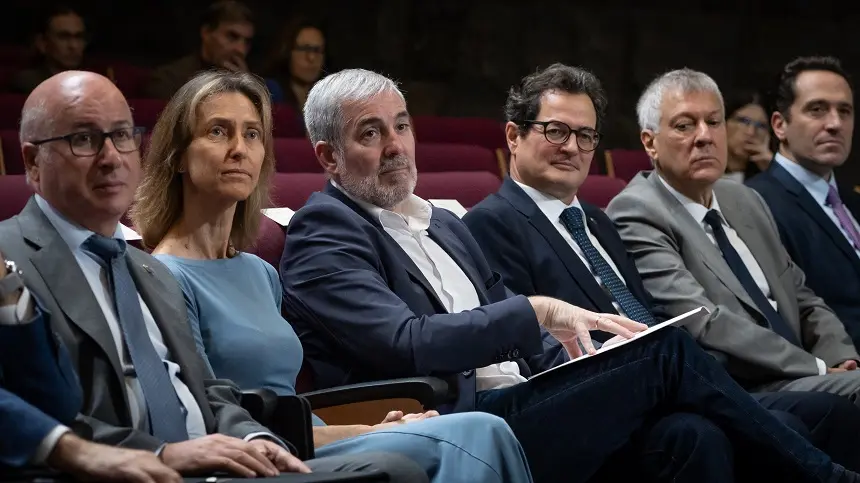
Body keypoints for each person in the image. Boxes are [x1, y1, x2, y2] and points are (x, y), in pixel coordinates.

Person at [279, 67, 860, 483]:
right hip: (457, 417)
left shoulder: (443, 223)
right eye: (370, 133)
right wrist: (536, 312)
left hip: (529, 396)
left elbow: (530, 336)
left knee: (690, 434)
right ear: (328, 156)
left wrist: (592, 371)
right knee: (664, 351)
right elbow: (406, 343)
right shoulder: (324, 230)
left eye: (401, 126)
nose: (395, 147)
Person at [0, 70, 429, 482]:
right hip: (132, 465)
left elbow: (210, 392)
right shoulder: (13, 257)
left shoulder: (146, 272)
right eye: (83, 140)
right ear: (33, 161)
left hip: (222, 457)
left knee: (406, 461)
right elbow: (65, 407)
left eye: (122, 136)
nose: (111, 157)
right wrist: (158, 453)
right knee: (403, 466)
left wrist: (257, 440)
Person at [130, 69, 534, 483]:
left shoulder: (260, 272)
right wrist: (363, 432)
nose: (239, 149)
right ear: (177, 155)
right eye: (218, 132)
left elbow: (293, 402)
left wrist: (372, 427)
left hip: (311, 440)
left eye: (252, 134)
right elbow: (206, 414)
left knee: (476, 431)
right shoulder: (162, 277)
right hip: (255, 456)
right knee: (479, 430)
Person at [462, 62, 860, 474]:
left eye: (585, 135)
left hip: (663, 380)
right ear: (514, 136)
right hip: (597, 397)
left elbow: (646, 311)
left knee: (827, 413)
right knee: (698, 432)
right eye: (557, 131)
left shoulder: (597, 220)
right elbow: (527, 342)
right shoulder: (491, 223)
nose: (572, 147)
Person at [606, 68, 860, 404]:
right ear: (650, 142)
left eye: (714, 122)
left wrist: (841, 356)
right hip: (742, 389)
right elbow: (704, 322)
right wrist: (818, 368)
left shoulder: (744, 199)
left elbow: (802, 296)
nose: (704, 136)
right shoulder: (637, 210)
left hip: (809, 375)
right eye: (684, 125)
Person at [0, 249, 182, 482]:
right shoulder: (18, 244)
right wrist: (68, 448)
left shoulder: (151, 267)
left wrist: (7, 290)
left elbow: (58, 405)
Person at [747, 56, 860, 349]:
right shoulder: (756, 203)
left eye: (844, 111)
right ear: (779, 125)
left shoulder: (851, 201)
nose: (835, 124)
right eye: (817, 109)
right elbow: (790, 316)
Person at [146, 1, 255, 100]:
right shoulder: (169, 79)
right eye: (232, 36)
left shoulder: (248, 82)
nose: (241, 49)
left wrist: (245, 86)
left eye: (247, 42)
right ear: (206, 32)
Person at [11, 5, 88, 95]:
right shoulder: (28, 82)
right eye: (63, 37)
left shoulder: (92, 82)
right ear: (42, 43)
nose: (73, 45)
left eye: (79, 37)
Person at [262, 17, 326, 109]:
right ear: (287, 51)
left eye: (317, 50)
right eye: (304, 49)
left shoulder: (329, 99)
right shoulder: (270, 92)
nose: (311, 57)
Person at [723, 89, 773, 182]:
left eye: (761, 126)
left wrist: (773, 171)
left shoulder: (768, 177)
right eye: (743, 121)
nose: (751, 132)